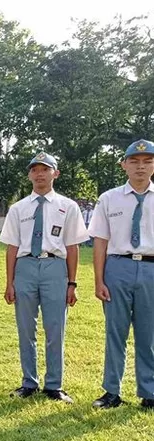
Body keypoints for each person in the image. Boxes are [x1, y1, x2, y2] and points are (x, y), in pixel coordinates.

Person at [0, 152, 88, 404]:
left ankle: (54, 385)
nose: (39, 174)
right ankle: (29, 381)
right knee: (26, 328)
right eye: (35, 170)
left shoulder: (68, 206)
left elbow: (72, 247)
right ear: (29, 175)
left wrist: (72, 282)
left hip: (55, 268)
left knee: (55, 328)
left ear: (55, 173)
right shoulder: (18, 208)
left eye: (45, 169)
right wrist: (10, 282)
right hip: (25, 267)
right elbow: (12, 247)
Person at [89, 139, 154, 410]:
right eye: (134, 161)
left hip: (151, 268)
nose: (141, 166)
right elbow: (101, 241)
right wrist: (99, 279)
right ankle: (111, 391)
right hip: (118, 267)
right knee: (115, 332)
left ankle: (149, 392)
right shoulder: (109, 198)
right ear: (123, 165)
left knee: (148, 335)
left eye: (147, 161)